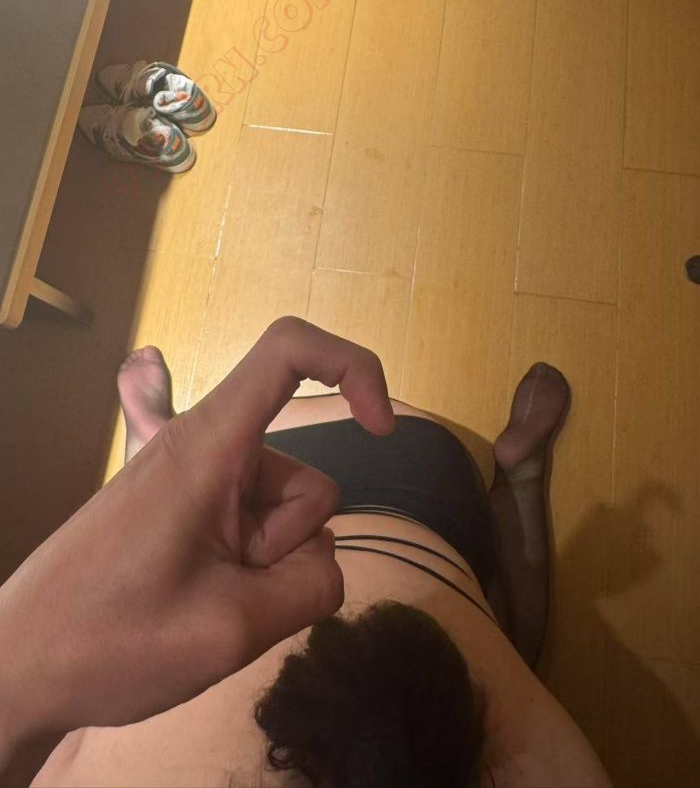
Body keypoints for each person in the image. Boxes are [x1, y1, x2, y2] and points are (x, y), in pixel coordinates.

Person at [0, 317, 610, 788]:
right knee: (513, 647)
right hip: (403, 486)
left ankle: (155, 452)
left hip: (356, 476)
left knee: (504, 651)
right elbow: (66, 729)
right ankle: (521, 477)